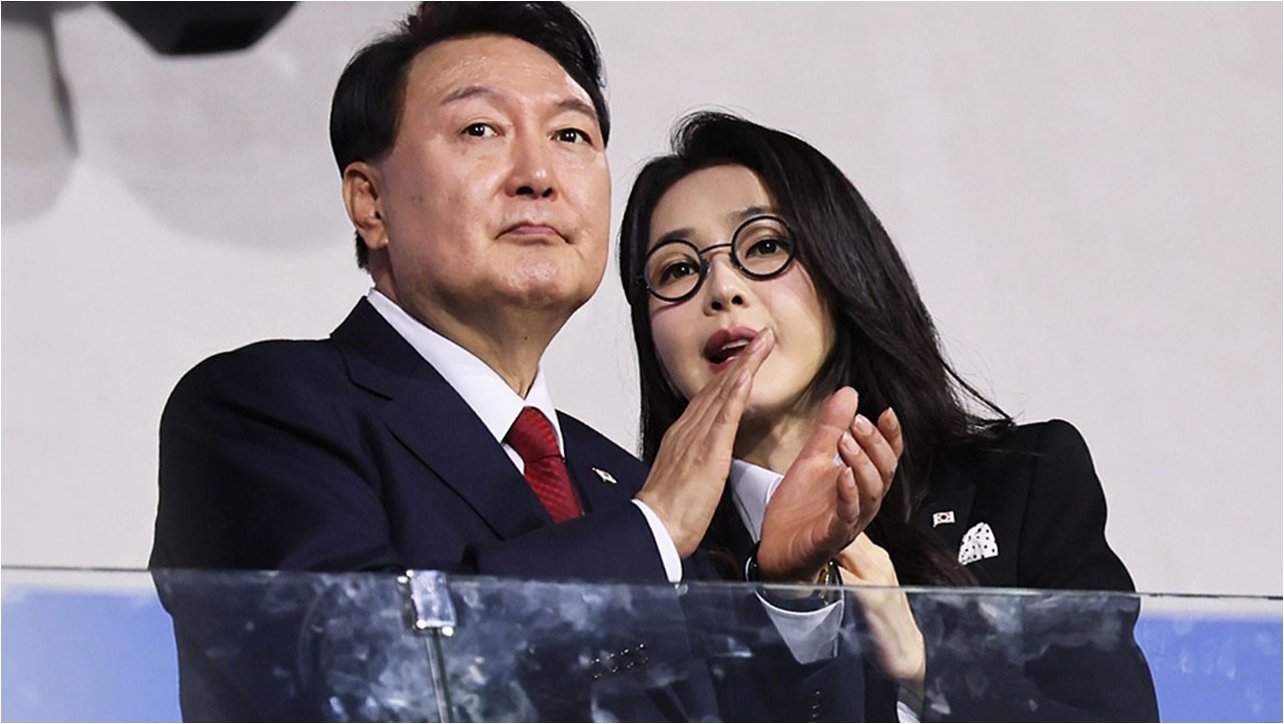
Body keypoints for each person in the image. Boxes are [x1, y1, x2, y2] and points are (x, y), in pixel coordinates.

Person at [150, 3, 881, 720]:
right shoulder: (260, 412)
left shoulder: (621, 482)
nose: (538, 175)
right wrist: (649, 532)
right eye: (480, 129)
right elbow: (362, 681)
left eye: (570, 135)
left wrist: (791, 596)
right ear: (370, 202)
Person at [617, 110, 1161, 721]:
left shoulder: (1023, 484)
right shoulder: (641, 563)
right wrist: (792, 607)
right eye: (678, 269)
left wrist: (926, 665)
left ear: (843, 269)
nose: (722, 289)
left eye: (764, 246)